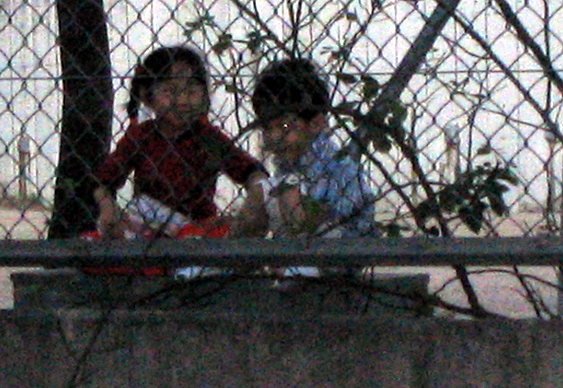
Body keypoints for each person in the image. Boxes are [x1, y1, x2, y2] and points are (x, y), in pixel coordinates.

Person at [92, 45, 268, 243]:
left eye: (191, 91)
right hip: (148, 228)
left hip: (198, 231)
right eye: (170, 91)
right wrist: (108, 208)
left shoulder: (208, 137)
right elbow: (103, 181)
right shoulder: (141, 136)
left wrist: (255, 196)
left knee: (228, 229)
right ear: (147, 97)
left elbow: (251, 171)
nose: (182, 100)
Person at [250, 57, 377, 278]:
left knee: (279, 192)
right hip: (309, 246)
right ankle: (228, 262)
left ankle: (298, 268)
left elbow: (342, 222)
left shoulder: (336, 164)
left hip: (338, 253)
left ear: (316, 123)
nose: (274, 136)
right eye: (267, 128)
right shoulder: (288, 162)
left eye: (285, 126)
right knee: (263, 193)